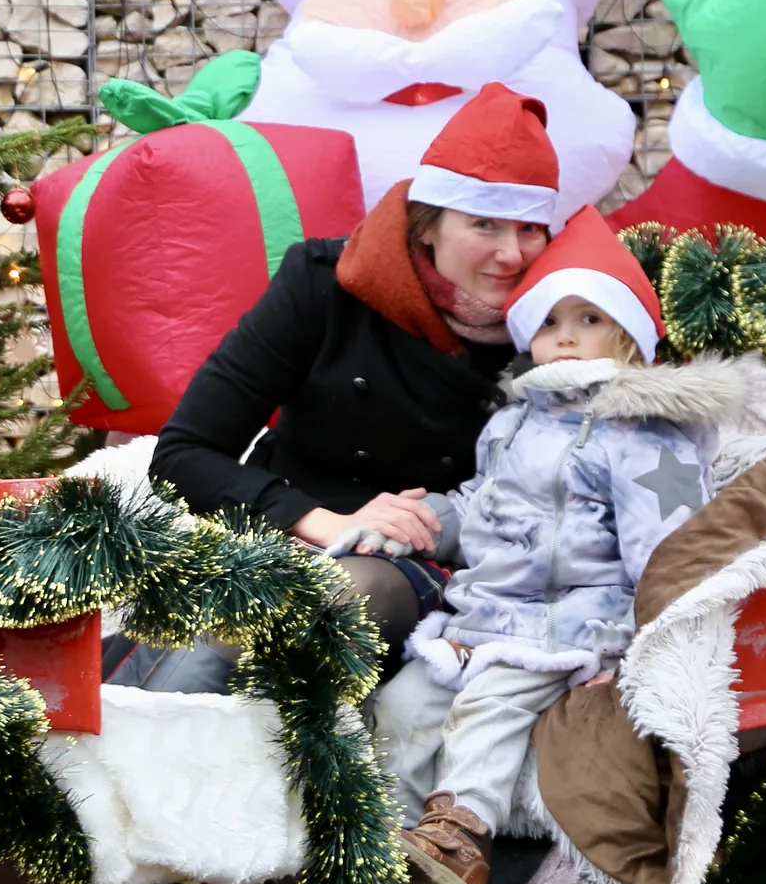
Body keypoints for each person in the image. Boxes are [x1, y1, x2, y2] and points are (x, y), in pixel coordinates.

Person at [361, 216, 736, 884]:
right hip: (486, 618)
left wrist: (631, 647)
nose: (565, 335)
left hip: (573, 623)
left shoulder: (646, 433)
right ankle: (395, 868)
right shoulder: (514, 423)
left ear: (626, 336)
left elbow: (674, 549)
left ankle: (460, 837)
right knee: (402, 709)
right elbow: (484, 508)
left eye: (589, 318)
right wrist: (427, 519)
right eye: (551, 319)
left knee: (491, 706)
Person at [148, 84, 563, 683]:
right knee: (200, 667)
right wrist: (322, 521)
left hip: (443, 569)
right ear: (428, 227)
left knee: (315, 609)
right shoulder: (324, 285)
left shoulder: (560, 319)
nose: (511, 254)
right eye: (484, 224)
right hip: (288, 533)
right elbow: (183, 455)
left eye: (530, 230)